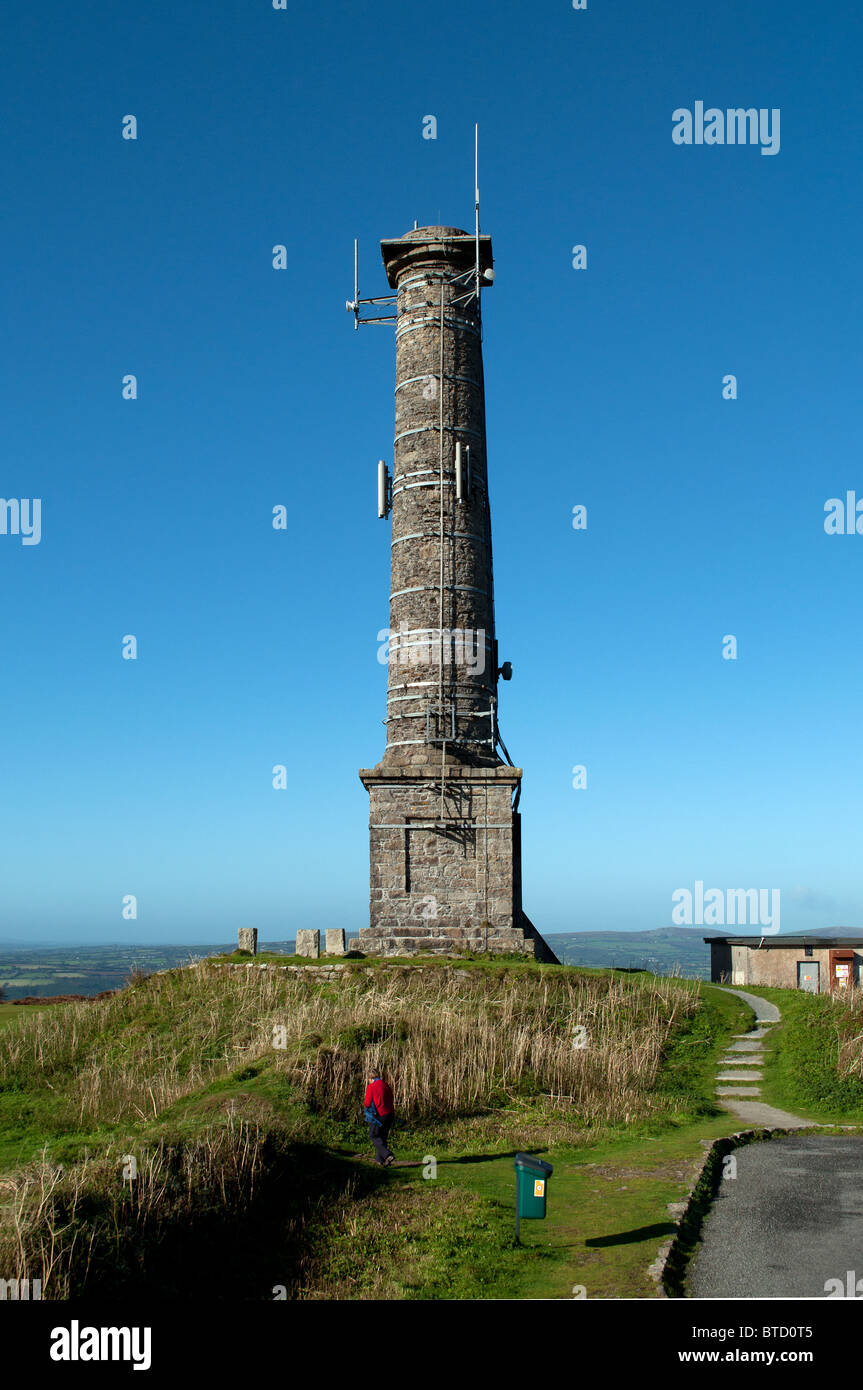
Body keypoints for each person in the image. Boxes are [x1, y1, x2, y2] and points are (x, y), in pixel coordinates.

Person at [364, 1070, 395, 1166]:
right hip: (390, 1114)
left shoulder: (371, 1087)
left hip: (379, 1115)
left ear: (371, 1078)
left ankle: (387, 1154)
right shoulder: (386, 1085)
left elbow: (367, 1103)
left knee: (373, 1135)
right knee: (383, 1137)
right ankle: (380, 1160)